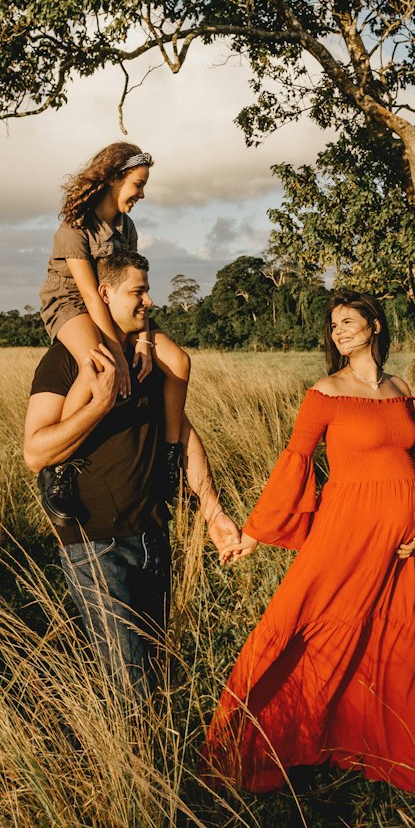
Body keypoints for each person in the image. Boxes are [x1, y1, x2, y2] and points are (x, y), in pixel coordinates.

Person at [203, 292, 415, 794]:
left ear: (376, 325)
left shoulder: (401, 388)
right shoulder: (325, 392)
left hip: (399, 545)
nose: (339, 330)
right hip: (346, 532)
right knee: (302, 621)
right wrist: (255, 532)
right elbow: (295, 461)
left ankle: (376, 742)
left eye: (348, 321)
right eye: (333, 325)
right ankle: (251, 741)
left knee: (391, 640)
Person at [25, 249, 241, 699]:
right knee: (130, 685)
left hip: (152, 534)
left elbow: (180, 434)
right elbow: (36, 450)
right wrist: (100, 403)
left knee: (157, 671)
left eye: (148, 290)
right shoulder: (66, 361)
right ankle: (131, 766)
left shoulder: (149, 360)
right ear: (104, 294)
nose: (148, 301)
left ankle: (139, 755)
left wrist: (212, 511)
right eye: (137, 291)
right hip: (94, 542)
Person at [38, 142, 191, 474]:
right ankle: (60, 467)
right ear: (113, 179)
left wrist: (145, 341)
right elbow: (90, 295)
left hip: (114, 303)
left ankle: (169, 455)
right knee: (97, 364)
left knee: (178, 362)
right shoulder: (75, 225)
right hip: (71, 301)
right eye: (139, 184)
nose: (143, 194)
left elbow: (133, 286)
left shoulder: (127, 228)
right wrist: (119, 353)